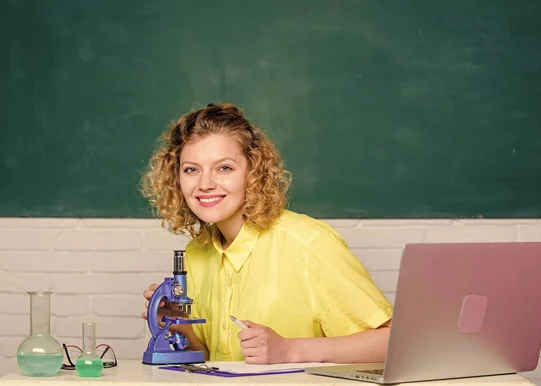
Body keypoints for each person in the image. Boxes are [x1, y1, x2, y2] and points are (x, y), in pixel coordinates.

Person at [140, 103, 392, 364]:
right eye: (191, 169)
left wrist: (291, 350)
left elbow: (393, 342)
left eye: (224, 168)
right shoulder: (196, 252)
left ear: (253, 171)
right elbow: (206, 360)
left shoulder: (307, 243)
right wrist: (175, 322)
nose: (205, 184)